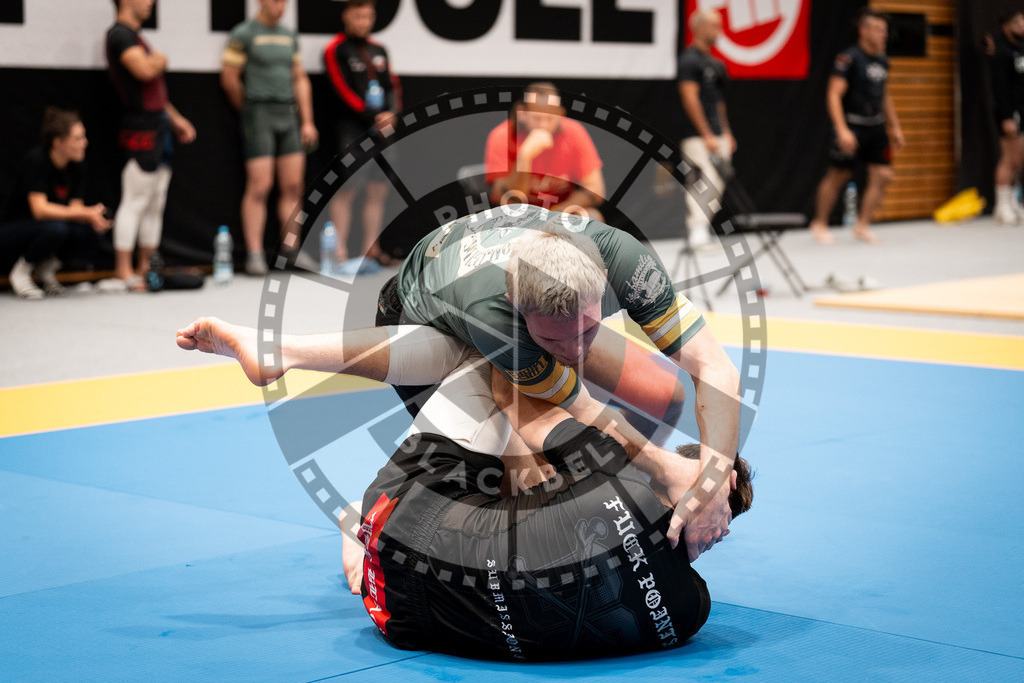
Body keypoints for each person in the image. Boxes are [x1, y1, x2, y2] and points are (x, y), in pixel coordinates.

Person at [178, 204, 742, 562]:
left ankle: (284, 350)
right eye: (555, 341)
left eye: (589, 330)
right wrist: (665, 471)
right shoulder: (495, 312)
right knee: (521, 472)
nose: (575, 352)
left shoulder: (625, 262)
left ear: (602, 285)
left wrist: (712, 482)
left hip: (514, 296)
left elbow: (714, 368)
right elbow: (583, 412)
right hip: (421, 314)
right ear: (519, 308)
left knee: (664, 394)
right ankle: (366, 518)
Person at [173, 319, 754, 660]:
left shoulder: (618, 478)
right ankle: (358, 532)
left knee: (494, 345)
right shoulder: (692, 611)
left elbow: (512, 387)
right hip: (395, 614)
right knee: (526, 517)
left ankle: (286, 351)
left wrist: (581, 381)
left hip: (405, 513)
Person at [222, 0, 319, 275]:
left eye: (285, 1)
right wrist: (250, 111)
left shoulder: (289, 35)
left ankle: (291, 251)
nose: (281, 6)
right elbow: (229, 79)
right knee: (260, 186)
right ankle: (254, 254)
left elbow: (299, 78)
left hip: (288, 115)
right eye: (276, 0)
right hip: (259, 114)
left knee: (293, 186)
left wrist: (307, 121)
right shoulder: (244, 33)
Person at [106, 0, 196, 290]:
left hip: (159, 125)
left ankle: (146, 268)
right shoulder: (120, 34)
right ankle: (123, 270)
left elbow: (154, 90)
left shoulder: (137, 38)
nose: (150, 2)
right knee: (135, 199)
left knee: (156, 202)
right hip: (140, 126)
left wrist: (176, 119)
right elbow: (145, 71)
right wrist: (160, 59)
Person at [807, 9, 905, 245]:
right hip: (852, 125)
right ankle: (819, 223)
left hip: (876, 127)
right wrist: (842, 130)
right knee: (838, 175)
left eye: (885, 30)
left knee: (883, 175)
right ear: (864, 31)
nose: (884, 34)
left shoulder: (882, 60)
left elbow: (884, 95)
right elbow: (833, 94)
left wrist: (896, 127)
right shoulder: (848, 59)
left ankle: (862, 225)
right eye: (878, 29)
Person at [1, 108, 112, 299]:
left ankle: (46, 270)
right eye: (77, 138)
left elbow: (75, 208)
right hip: (16, 229)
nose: (84, 143)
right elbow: (40, 210)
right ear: (58, 142)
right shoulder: (36, 160)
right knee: (56, 228)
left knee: (90, 232)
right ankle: (20, 272)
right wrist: (84, 213)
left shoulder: (77, 166)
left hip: (52, 227)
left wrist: (92, 216)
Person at [323, 0, 401, 272]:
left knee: (378, 190)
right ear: (347, 16)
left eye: (368, 16)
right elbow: (341, 89)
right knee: (347, 189)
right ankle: (339, 253)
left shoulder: (379, 49)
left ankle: (371, 251)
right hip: (352, 131)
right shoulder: (336, 49)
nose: (364, 22)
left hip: (382, 130)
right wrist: (372, 116)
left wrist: (390, 113)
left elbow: (392, 86)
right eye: (358, 16)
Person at [485, 83, 606, 220]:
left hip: (560, 213)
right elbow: (510, 201)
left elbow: (595, 190)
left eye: (550, 119)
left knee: (593, 217)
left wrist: (556, 213)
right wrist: (525, 156)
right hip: (517, 218)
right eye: (537, 118)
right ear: (522, 114)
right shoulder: (502, 135)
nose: (543, 125)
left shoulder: (574, 132)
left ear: (561, 115)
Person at [677, 9, 736, 249]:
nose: (718, 31)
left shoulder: (717, 64)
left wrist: (726, 132)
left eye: (719, 25)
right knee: (703, 181)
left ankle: (703, 228)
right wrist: (706, 134)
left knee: (719, 182)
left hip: (718, 134)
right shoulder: (689, 60)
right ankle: (697, 230)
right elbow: (689, 98)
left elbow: (719, 101)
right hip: (697, 136)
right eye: (713, 25)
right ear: (698, 28)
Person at [990, 10, 1024, 225]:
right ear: (1006, 26)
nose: (1022, 25)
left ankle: (1013, 201)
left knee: (1019, 161)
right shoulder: (1001, 52)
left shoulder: (1020, 49)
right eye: (1017, 22)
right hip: (1010, 113)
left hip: (1022, 109)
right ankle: (1001, 206)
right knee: (1009, 159)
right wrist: (1006, 117)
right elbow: (1000, 88)